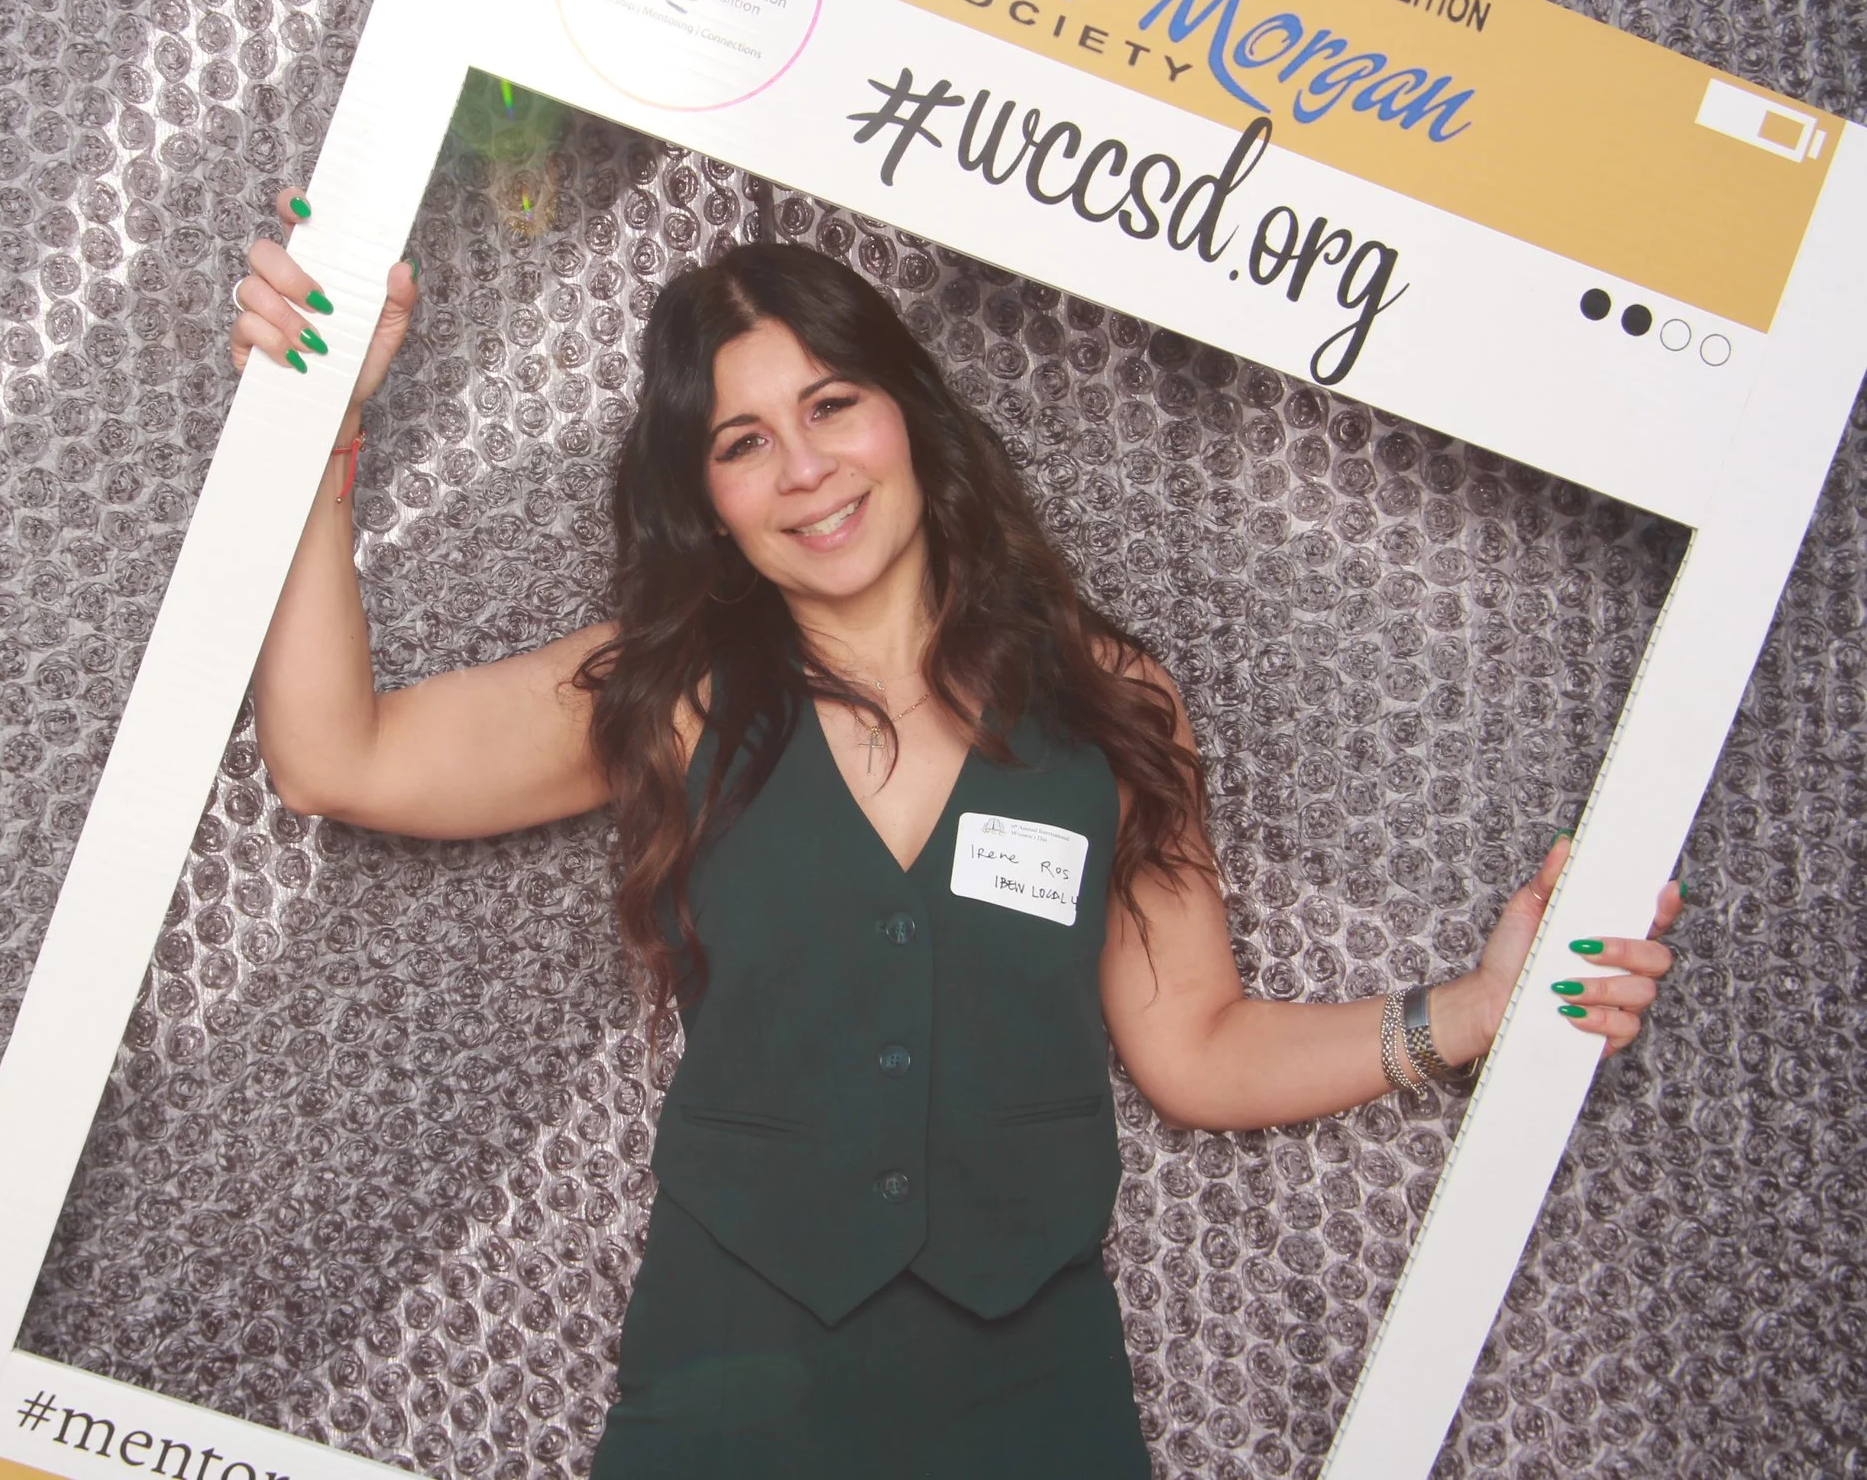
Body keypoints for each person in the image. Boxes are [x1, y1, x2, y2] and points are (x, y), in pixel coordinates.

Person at [230, 202, 1678, 1477]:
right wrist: (320, 429)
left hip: (1031, 1400)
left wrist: (1471, 1014)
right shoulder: (671, 696)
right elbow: (333, 757)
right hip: (732, 1392)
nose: (805, 467)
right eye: (743, 442)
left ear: (911, 415)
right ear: (709, 502)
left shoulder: (1112, 699)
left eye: (834, 404)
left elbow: (1199, 1050)